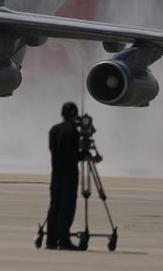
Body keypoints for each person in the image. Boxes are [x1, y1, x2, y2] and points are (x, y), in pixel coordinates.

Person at [46, 101, 101, 251]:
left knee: (54, 208)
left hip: (56, 174)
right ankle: (64, 241)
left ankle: (51, 240)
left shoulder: (54, 130)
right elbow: (74, 156)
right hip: (69, 176)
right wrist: (92, 158)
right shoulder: (73, 132)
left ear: (62, 114)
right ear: (75, 116)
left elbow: (54, 149)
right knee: (66, 209)